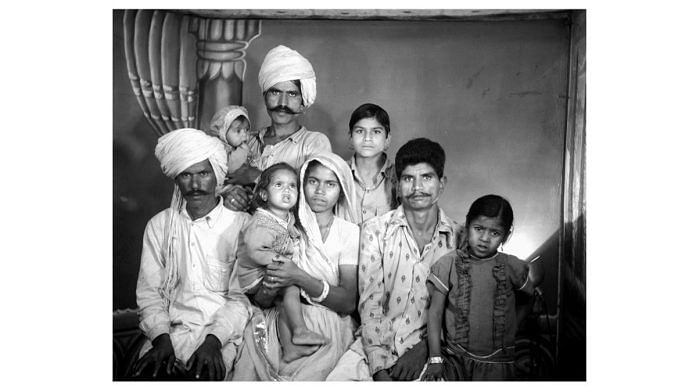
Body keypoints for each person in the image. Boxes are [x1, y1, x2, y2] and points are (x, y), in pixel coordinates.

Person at [327, 138, 460, 381]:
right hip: (375, 345)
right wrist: (379, 369)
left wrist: (426, 350)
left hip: (435, 351)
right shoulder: (375, 231)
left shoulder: (458, 238)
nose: (417, 187)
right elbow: (370, 304)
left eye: (427, 178)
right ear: (397, 185)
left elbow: (458, 311)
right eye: (409, 179)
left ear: (442, 184)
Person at [133, 128, 252, 381]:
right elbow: (149, 294)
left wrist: (213, 342)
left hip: (223, 338)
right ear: (176, 178)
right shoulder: (160, 226)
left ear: (217, 176)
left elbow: (241, 300)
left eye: (203, 174)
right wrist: (161, 341)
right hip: (167, 336)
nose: (195, 185)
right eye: (186, 175)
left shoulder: (242, 225)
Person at [232, 152, 360, 381]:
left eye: (330, 184)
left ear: (341, 191)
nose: (320, 191)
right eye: (313, 182)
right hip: (278, 319)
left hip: (327, 322)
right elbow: (260, 299)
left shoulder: (349, 232)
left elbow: (348, 302)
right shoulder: (284, 223)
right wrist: (272, 286)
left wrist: (298, 276)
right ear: (303, 184)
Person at [421, 195, 543, 381]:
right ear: (467, 225)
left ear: (506, 236)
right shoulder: (449, 264)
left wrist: (512, 328)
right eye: (478, 229)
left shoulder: (512, 267)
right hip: (456, 360)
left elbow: (529, 297)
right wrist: (436, 358)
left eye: (495, 233)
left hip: (498, 364)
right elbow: (435, 312)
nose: (485, 239)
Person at [235, 162, 328, 362]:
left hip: (265, 272)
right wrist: (278, 261)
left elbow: (289, 232)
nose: (287, 190)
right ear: (264, 195)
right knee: (291, 287)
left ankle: (290, 347)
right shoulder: (261, 222)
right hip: (254, 276)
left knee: (285, 303)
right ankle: (300, 330)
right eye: (278, 185)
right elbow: (254, 250)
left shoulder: (286, 218)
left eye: (292, 186)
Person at [224, 45, 332, 212]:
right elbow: (221, 182)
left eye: (292, 94)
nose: (282, 103)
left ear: (303, 103)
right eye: (275, 92)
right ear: (265, 97)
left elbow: (314, 196)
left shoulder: (314, 143)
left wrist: (255, 176)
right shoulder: (245, 140)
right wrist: (231, 196)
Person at [346, 103, 399, 223]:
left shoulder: (399, 177)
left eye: (376, 132)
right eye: (360, 131)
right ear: (350, 138)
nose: (367, 138)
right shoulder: (337, 174)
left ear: (387, 139)